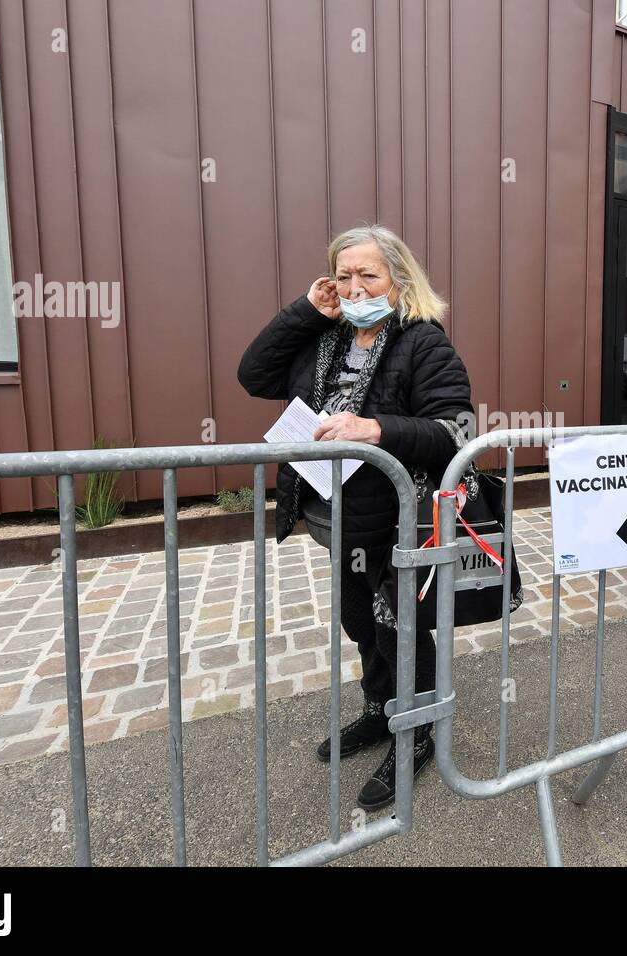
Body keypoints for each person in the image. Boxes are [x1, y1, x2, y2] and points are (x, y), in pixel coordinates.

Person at [237, 224, 473, 811]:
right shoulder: (325, 338)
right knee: (358, 621)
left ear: (398, 279)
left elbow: (456, 431)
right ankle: (379, 709)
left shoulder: (423, 342)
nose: (354, 285)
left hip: (400, 521)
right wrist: (304, 312)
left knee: (403, 628)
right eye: (343, 275)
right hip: (339, 515)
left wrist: (376, 429)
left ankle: (417, 730)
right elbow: (254, 376)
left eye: (368, 274)